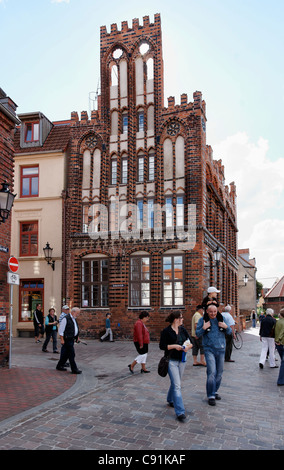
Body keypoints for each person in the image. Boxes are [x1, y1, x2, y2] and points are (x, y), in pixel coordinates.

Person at [159, 310, 192, 422]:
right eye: (181, 318)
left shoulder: (183, 330)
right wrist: (174, 346)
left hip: (182, 359)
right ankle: (180, 412)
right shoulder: (166, 331)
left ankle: (170, 399)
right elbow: (162, 346)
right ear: (175, 319)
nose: (182, 319)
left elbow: (190, 341)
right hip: (171, 360)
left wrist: (188, 347)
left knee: (176, 382)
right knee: (177, 385)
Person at [196, 303, 232, 406]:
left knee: (219, 373)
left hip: (221, 349)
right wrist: (203, 328)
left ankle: (214, 390)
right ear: (207, 311)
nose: (213, 314)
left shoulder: (221, 318)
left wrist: (225, 326)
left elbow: (229, 332)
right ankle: (211, 395)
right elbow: (197, 334)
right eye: (211, 312)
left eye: (215, 311)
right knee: (212, 371)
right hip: (209, 349)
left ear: (217, 311)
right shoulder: (202, 320)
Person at [56, 307, 82, 374]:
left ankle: (59, 365)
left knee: (65, 354)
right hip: (67, 339)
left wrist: (77, 337)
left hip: (71, 338)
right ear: (73, 312)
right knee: (71, 354)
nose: (78, 315)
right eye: (77, 313)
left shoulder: (74, 319)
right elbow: (61, 330)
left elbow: (74, 329)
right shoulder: (66, 318)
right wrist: (62, 339)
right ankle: (74, 369)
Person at [275, 308, 284, 386]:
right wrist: (278, 340)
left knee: (282, 361)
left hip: (278, 345)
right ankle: (280, 380)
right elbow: (282, 333)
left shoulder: (278, 322)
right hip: (282, 343)